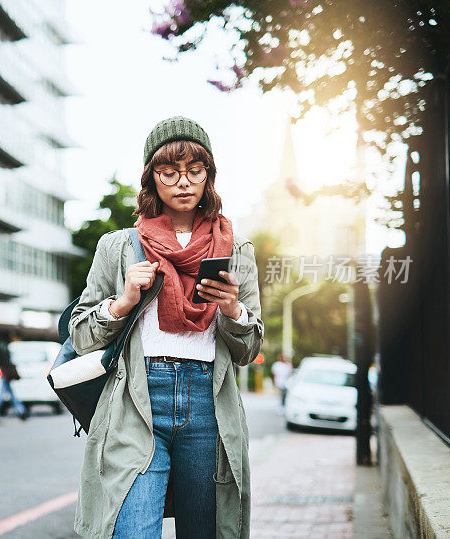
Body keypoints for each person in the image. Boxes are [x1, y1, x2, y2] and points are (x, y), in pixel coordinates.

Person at [68, 116, 264, 538]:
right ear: (151, 178)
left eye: (195, 170)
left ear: (208, 176)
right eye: (169, 171)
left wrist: (232, 310)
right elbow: (80, 334)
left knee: (206, 530)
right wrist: (121, 303)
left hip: (208, 403)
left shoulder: (236, 249)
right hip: (138, 401)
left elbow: (249, 351)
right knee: (130, 528)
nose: (183, 182)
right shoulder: (119, 246)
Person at [0, 335, 28, 424]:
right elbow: (8, 362)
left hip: (5, 374)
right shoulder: (6, 349)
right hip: (6, 375)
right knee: (5, 394)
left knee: (6, 394)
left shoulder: (0, 349)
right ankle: (20, 411)